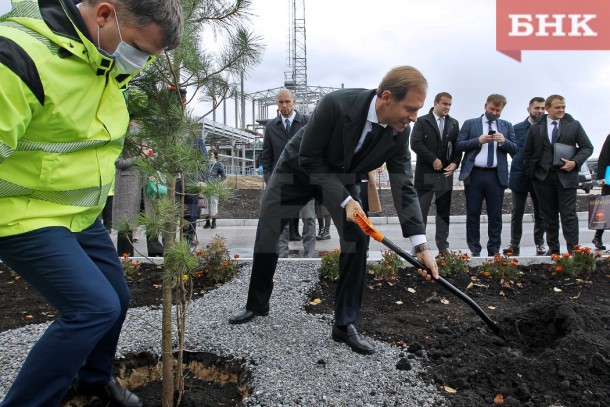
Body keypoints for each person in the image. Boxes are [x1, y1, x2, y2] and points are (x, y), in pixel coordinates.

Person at [0, 1, 183, 406]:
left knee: (117, 298)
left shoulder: (102, 57)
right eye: (138, 48)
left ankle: (93, 379)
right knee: (93, 307)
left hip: (79, 215)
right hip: (22, 214)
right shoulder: (17, 56)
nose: (138, 63)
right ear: (104, 14)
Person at [228, 66, 439, 356]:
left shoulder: (399, 133)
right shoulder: (336, 104)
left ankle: (344, 323)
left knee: (357, 236)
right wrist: (345, 201)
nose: (414, 117)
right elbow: (310, 159)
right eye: (411, 109)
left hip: (343, 179)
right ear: (387, 97)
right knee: (268, 232)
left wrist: (421, 245)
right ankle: (257, 303)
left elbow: (404, 185)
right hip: (298, 169)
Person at [524, 95, 593, 255]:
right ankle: (553, 250)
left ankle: (573, 250)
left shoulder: (574, 125)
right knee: (548, 216)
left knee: (568, 215)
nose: (561, 110)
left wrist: (574, 163)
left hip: (567, 178)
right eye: (557, 107)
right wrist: (532, 174)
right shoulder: (535, 127)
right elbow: (528, 153)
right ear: (547, 108)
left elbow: (587, 147)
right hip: (543, 179)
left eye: (563, 107)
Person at [456, 94, 518, 257]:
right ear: (485, 106)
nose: (495, 113)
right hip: (474, 174)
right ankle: (474, 249)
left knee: (495, 214)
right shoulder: (471, 124)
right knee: (473, 213)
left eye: (499, 110)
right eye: (492, 109)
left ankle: (494, 249)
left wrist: (503, 141)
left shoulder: (506, 126)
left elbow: (516, 149)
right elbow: (459, 144)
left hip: (496, 176)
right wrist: (478, 140)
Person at [262, 88, 316, 256]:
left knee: (309, 219)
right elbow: (267, 157)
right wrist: (270, 181)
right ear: (277, 104)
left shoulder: (308, 122)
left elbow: (316, 151)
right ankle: (283, 257)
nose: (284, 105)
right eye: (280, 102)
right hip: (282, 181)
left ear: (294, 101)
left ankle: (309, 256)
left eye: (287, 101)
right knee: (282, 221)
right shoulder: (271, 127)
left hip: (305, 180)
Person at [410, 92, 462, 255]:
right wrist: (433, 159)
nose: (447, 107)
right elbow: (415, 143)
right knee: (421, 212)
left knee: (443, 212)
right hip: (426, 174)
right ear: (436, 103)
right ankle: (419, 246)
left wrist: (454, 163)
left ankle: (442, 245)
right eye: (445, 104)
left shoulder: (453, 123)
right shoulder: (422, 121)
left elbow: (457, 147)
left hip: (445, 175)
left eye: (450, 105)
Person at [503, 97, 547, 256]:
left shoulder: (547, 127)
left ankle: (540, 243)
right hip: (519, 175)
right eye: (537, 108)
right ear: (529, 109)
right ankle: (514, 242)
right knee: (517, 211)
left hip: (539, 176)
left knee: (540, 212)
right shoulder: (517, 128)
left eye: (543, 108)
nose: (540, 111)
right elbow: (512, 149)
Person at [201, 149, 226, 230]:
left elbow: (223, 176)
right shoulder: (205, 164)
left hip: (214, 187)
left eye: (210, 154)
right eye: (208, 154)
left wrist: (215, 181)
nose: (209, 156)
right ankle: (207, 222)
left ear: (215, 155)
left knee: (213, 203)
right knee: (205, 204)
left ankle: (214, 222)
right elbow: (201, 174)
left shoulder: (218, 164)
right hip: (205, 186)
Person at [593, 134, 610, 249]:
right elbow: (603, 157)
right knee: (606, 208)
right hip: (609, 179)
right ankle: (598, 236)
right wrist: (600, 178)